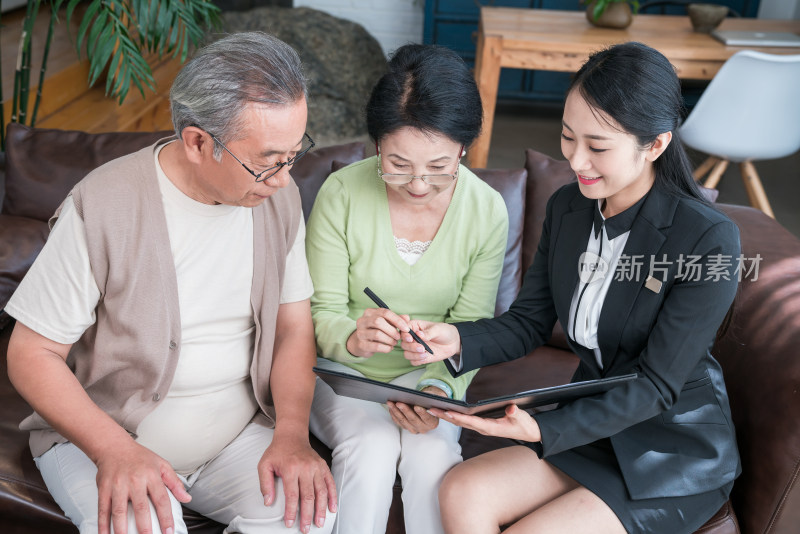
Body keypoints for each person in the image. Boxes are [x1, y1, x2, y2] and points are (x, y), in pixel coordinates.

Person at [401, 42, 741, 534]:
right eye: (567, 137)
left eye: (598, 147)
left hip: (668, 451)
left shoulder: (707, 238)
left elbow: (657, 385)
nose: (576, 159)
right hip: (593, 429)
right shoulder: (568, 208)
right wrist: (456, 340)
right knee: (460, 490)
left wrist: (544, 428)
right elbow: (528, 322)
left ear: (656, 145)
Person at [6, 32, 337, 534]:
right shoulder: (103, 205)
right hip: (102, 443)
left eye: (295, 153)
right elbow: (30, 355)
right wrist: (116, 450)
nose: (284, 179)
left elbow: (294, 328)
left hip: (234, 442)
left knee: (312, 519)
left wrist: (291, 433)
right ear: (199, 142)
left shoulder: (278, 201)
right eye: (268, 160)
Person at [304, 44, 509, 534]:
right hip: (342, 374)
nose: (418, 184)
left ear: (464, 147)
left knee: (431, 454)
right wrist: (353, 336)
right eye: (397, 164)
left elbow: (471, 327)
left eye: (439, 167)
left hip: (428, 379)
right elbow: (319, 310)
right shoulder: (342, 194)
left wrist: (439, 388)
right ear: (376, 145)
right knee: (371, 448)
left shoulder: (487, 211)